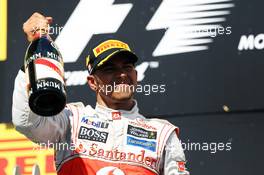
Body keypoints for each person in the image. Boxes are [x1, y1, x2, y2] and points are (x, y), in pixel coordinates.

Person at [12, 12, 189, 175]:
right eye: (110, 69)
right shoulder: (71, 120)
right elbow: (27, 123)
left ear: (136, 75)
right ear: (92, 82)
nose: (121, 75)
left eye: (127, 67)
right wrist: (36, 59)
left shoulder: (162, 132)